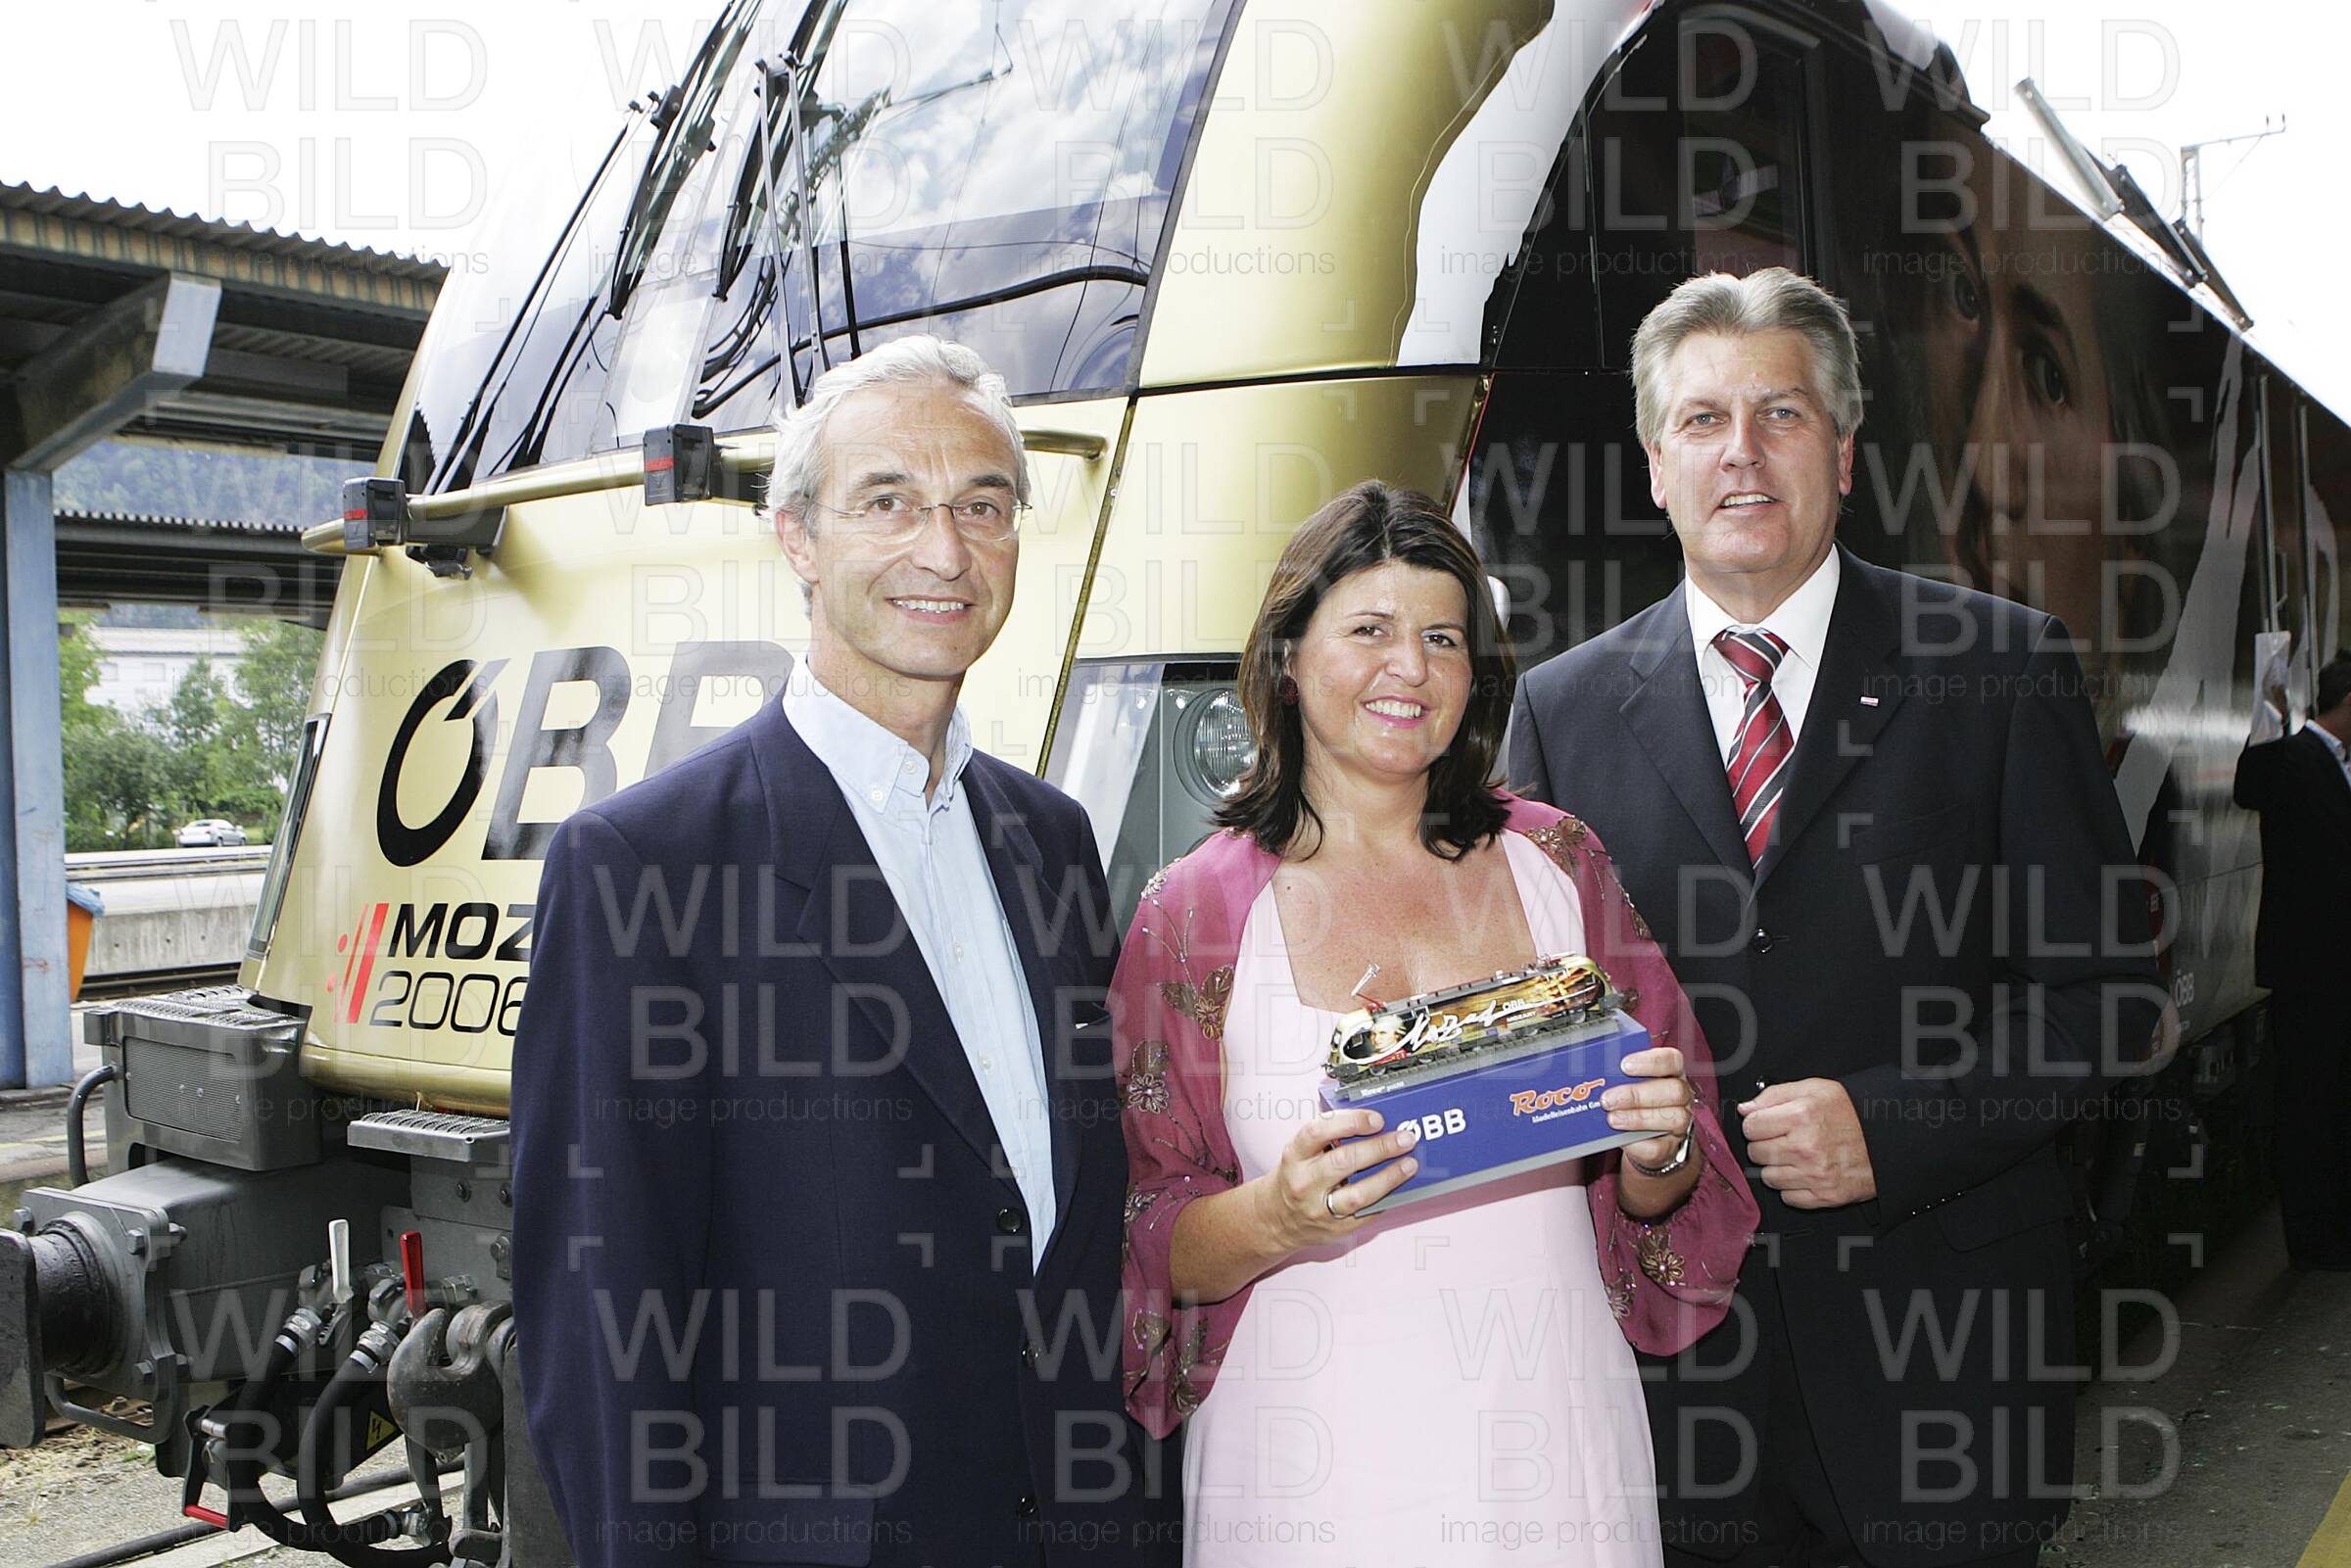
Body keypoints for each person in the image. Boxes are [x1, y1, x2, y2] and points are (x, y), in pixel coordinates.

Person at [1509, 269, 2164, 1568]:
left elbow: (2112, 1003)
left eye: (1783, 414)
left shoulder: (1997, 667)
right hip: (1685, 1395)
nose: (1741, 453)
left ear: (1847, 452)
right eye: (1703, 420)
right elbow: (1545, 1031)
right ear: (1655, 465)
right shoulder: (1561, 715)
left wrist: (1894, 1123)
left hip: (1944, 1373)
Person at [510, 336, 1177, 1566]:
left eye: (983, 505)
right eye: (889, 502)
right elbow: (605, 1333)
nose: (946, 549)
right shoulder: (643, 868)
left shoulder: (1052, 839)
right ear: (798, 539)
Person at [1116, 481, 1758, 1566]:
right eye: (1369, 629)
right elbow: (1149, 1233)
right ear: (1288, 654)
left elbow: (1665, 1176)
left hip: (1560, 1457)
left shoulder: (1561, 862)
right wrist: (1280, 1213)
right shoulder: (1194, 913)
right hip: (1309, 1480)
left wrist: (1661, 1147)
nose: (1409, 667)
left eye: (1443, 637)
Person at [2232, 653, 2351, 1270]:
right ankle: (2314, 1239)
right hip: (2309, 968)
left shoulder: (2340, 765)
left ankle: (2336, 1227)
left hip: (2335, 970)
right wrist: (2267, 715)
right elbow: (2248, 786)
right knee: (2308, 1100)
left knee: (2336, 1101)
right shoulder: (2293, 756)